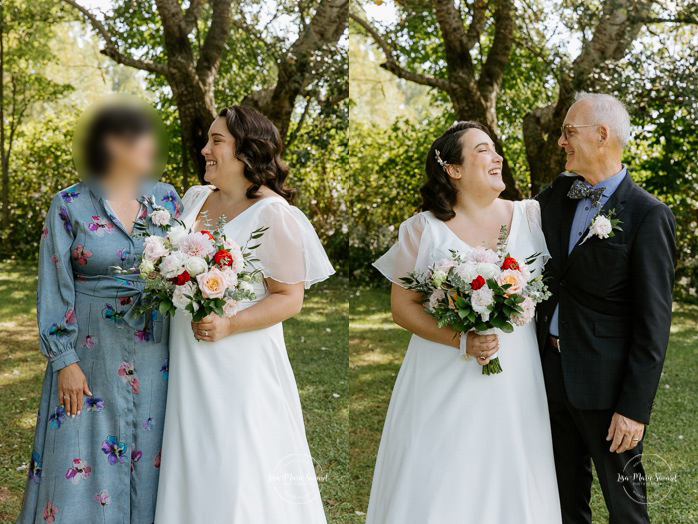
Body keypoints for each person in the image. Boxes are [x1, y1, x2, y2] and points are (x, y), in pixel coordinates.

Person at [366, 121, 562, 523]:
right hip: (443, 371)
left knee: (510, 464)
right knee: (441, 468)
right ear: (453, 169)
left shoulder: (531, 217)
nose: (498, 157)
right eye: (483, 150)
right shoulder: (423, 230)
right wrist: (462, 339)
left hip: (515, 377)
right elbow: (403, 307)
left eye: (495, 149)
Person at [154, 106, 334, 523]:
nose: (205, 149)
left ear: (247, 151)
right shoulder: (195, 198)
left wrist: (230, 323)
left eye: (217, 141)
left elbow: (290, 298)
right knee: (193, 449)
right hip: (188, 353)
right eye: (208, 140)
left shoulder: (274, 214)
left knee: (237, 456)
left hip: (240, 359)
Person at [17, 99, 181, 523]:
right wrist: (64, 360)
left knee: (152, 453)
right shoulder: (69, 203)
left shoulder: (166, 197)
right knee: (79, 448)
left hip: (155, 350)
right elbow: (54, 284)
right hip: (90, 350)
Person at [535, 92, 676, 523]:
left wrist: (634, 409)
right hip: (548, 374)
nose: (561, 142)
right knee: (562, 499)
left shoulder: (649, 215)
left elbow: (654, 323)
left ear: (601, 136)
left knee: (627, 509)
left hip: (608, 388)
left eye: (568, 133)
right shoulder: (556, 195)